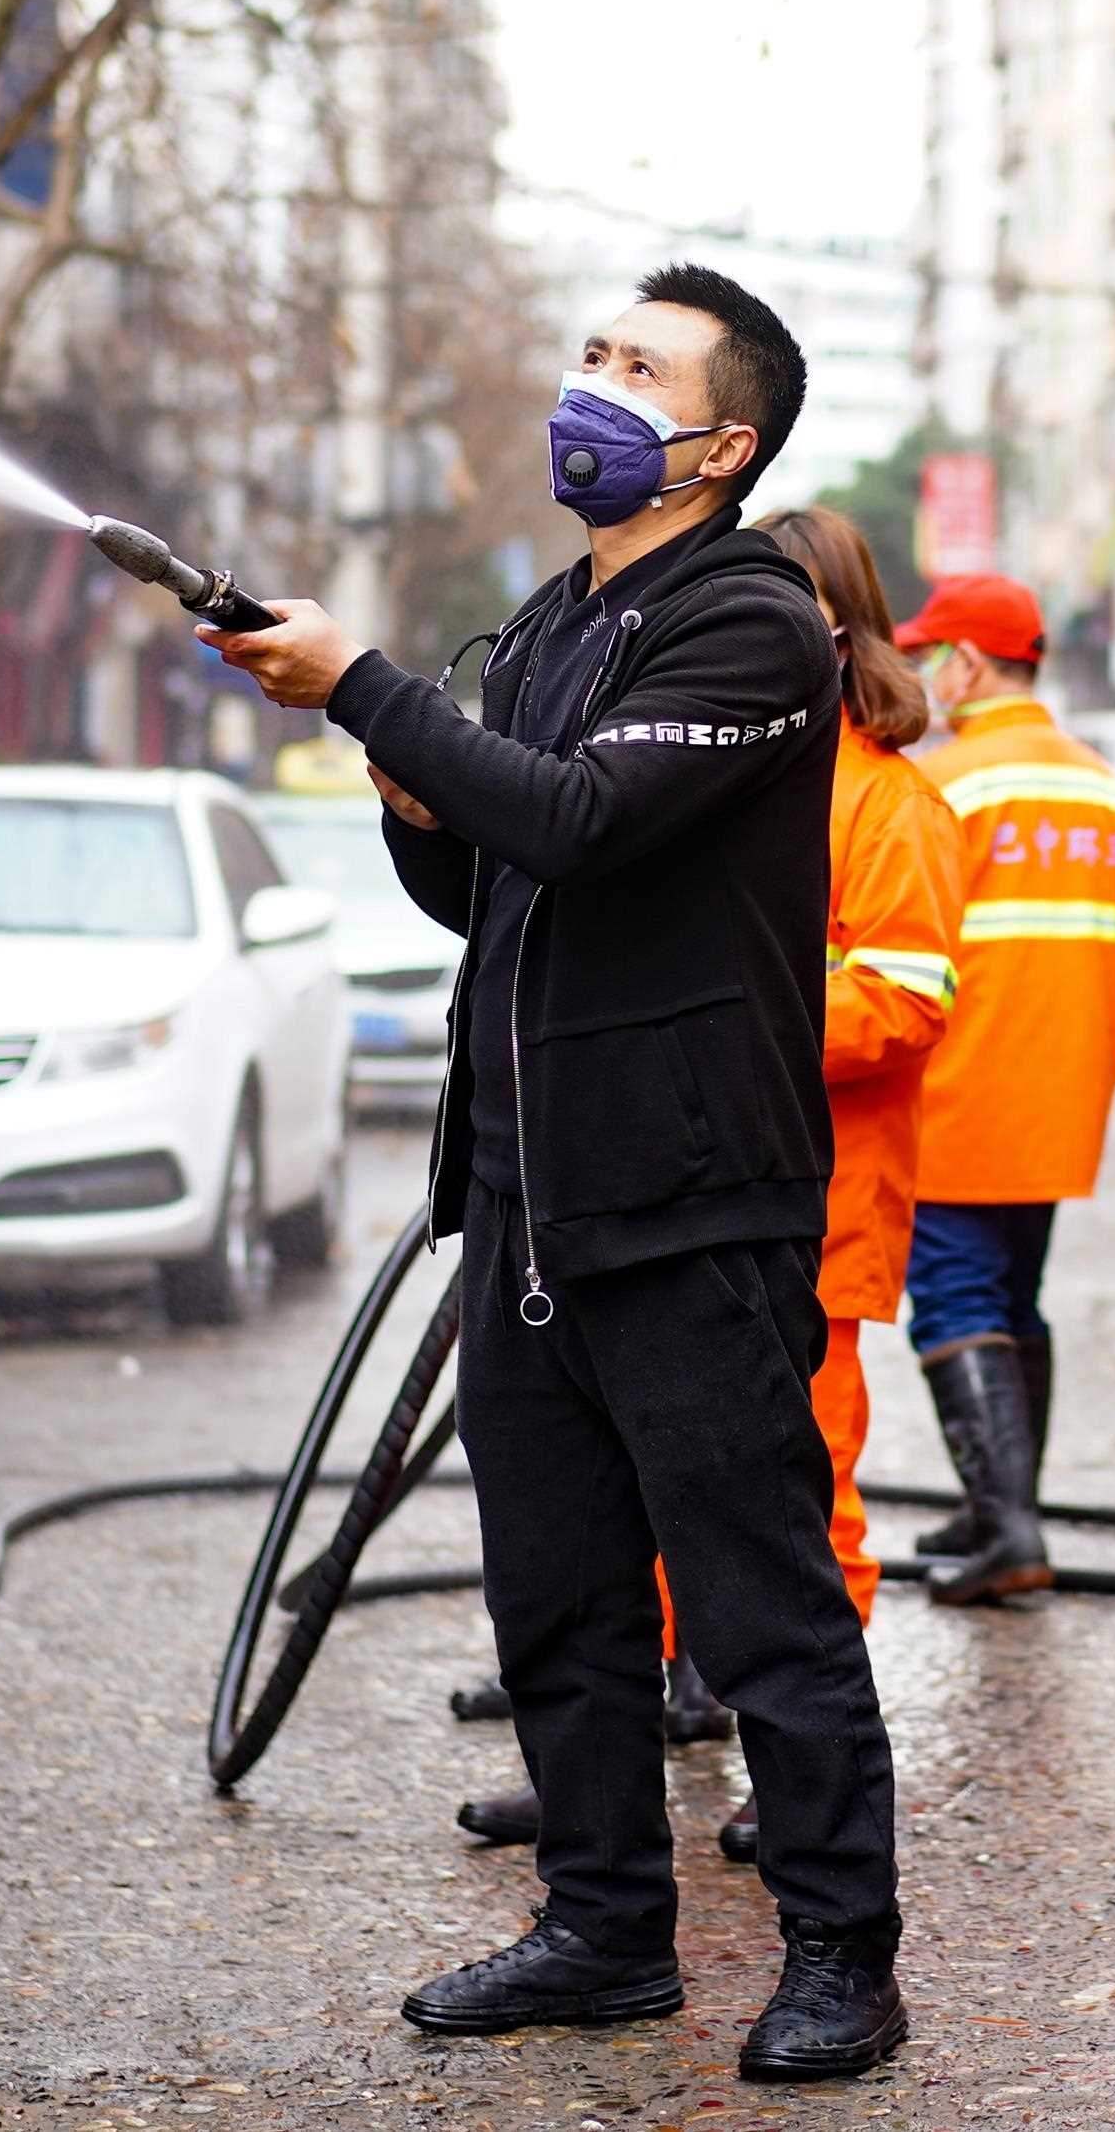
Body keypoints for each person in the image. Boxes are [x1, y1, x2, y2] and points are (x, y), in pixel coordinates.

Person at [202, 265, 907, 2081]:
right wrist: (412, 791)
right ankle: (604, 1932)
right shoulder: (543, 626)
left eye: (636, 366)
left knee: (758, 1605)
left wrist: (362, 686)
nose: (589, 386)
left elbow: (586, 823)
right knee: (560, 1604)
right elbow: (494, 883)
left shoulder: (752, 624)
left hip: (689, 1203)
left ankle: (845, 1953)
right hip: (524, 1197)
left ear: (720, 439)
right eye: (592, 353)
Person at [451, 505, 964, 1872]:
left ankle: (808, 1842)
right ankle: (629, 1772)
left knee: (799, 1525)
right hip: (624, 1185)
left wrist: (716, 1028)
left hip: (793, 1200)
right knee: (610, 1536)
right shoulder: (663, 755)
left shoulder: (884, 801)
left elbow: (905, 996)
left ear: (819, 635)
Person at [890, 573, 1115, 1606]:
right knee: (1014, 1300)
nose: (922, 672)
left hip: (957, 1088)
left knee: (953, 1298)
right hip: (1060, 1099)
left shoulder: (945, 782)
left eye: (929, 653)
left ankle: (1006, 1523)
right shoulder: (1104, 788)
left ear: (967, 661)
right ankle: (1001, 1501)